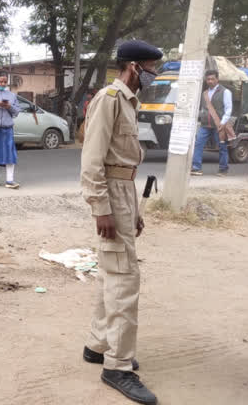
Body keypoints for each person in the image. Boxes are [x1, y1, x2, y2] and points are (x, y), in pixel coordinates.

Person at [80, 40, 162, 405]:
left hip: (123, 192)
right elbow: (92, 161)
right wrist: (102, 209)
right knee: (126, 280)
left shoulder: (129, 101)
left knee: (110, 274)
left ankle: (98, 345)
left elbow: (123, 165)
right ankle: (117, 366)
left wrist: (133, 212)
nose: (153, 74)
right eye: (150, 67)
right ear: (131, 67)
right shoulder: (109, 100)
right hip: (111, 195)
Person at [191, 69, 232, 176]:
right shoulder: (205, 93)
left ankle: (223, 169)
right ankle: (196, 168)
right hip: (205, 124)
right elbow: (203, 109)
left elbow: (228, 109)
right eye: (208, 79)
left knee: (222, 147)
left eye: (212, 79)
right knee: (198, 144)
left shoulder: (225, 92)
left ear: (217, 79)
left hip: (219, 124)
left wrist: (222, 123)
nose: (210, 81)